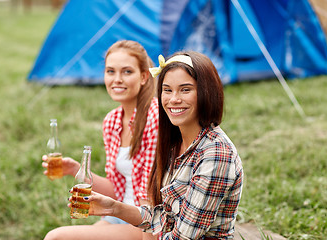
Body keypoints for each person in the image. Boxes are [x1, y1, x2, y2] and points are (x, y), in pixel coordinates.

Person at [79, 51, 244, 239]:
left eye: (185, 89)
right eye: (167, 90)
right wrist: (113, 207)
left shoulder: (215, 153)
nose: (174, 99)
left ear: (206, 92)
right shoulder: (174, 143)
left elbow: (183, 236)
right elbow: (161, 218)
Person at [42, 40, 159, 240]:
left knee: (56, 237)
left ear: (143, 76)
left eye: (127, 72)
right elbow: (117, 189)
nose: (117, 79)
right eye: (110, 71)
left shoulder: (155, 116)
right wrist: (74, 169)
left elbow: (153, 195)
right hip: (119, 213)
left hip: (149, 220)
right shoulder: (112, 121)